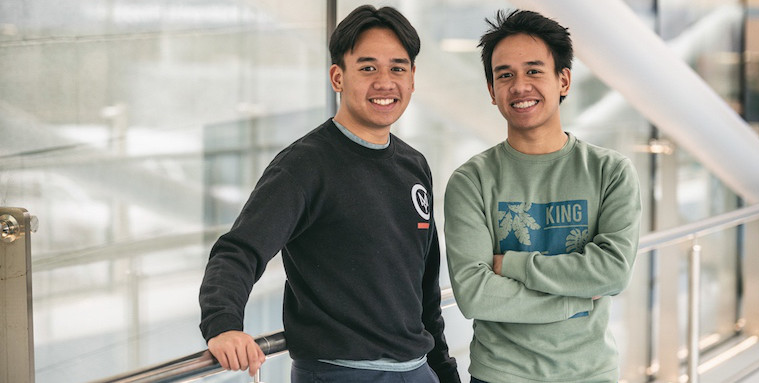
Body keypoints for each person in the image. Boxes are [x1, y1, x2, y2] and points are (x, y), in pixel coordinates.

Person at [199, 5, 460, 383]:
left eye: (397, 68)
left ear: (413, 78)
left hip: (418, 371)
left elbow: (424, 291)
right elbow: (237, 251)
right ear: (338, 76)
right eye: (368, 68)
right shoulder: (304, 166)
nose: (385, 82)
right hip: (338, 373)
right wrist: (223, 325)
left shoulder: (413, 165)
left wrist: (444, 372)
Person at [444, 9, 642, 383]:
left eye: (534, 70)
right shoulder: (471, 181)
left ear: (563, 80)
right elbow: (474, 294)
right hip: (500, 375)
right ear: (492, 91)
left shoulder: (610, 172)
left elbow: (612, 271)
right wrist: (574, 300)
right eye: (505, 75)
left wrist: (512, 266)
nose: (520, 86)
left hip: (590, 373)